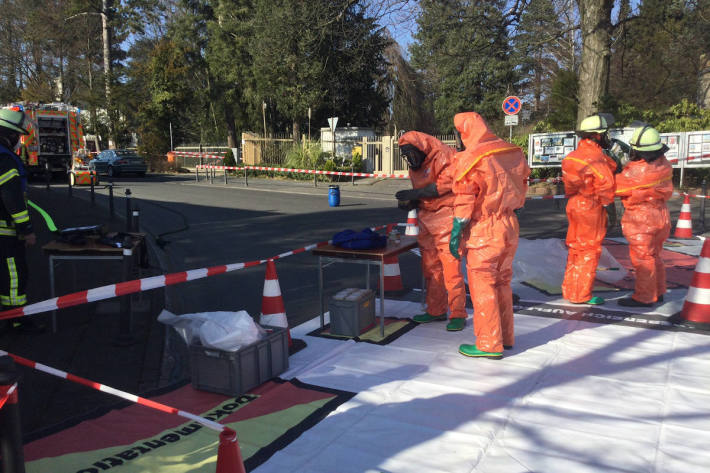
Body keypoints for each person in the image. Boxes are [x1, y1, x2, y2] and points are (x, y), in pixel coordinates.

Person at [448, 112, 530, 359]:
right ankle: (505, 337)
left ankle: (488, 343)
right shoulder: (512, 151)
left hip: (485, 228)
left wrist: (456, 233)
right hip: (510, 224)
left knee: (482, 283)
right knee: (503, 282)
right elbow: (524, 183)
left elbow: (465, 200)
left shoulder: (471, 158)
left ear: (464, 132)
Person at [395, 132, 468, 331]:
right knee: (431, 270)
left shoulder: (444, 156)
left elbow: (444, 186)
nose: (409, 159)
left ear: (421, 148)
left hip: (446, 217)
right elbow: (422, 192)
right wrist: (411, 201)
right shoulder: (415, 167)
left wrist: (416, 194)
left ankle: (458, 313)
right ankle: (436, 310)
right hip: (427, 220)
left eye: (411, 153)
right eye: (406, 155)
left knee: (451, 270)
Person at [561, 113, 617, 305]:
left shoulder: (572, 157)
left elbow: (569, 185)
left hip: (574, 205)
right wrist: (612, 212)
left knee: (575, 248)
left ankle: (570, 290)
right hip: (591, 207)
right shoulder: (597, 158)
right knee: (589, 250)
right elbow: (606, 187)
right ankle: (581, 294)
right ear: (598, 135)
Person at [615, 124, 673, 307]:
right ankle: (659, 290)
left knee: (643, 258)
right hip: (661, 214)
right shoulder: (664, 164)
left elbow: (615, 187)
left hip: (641, 218)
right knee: (654, 255)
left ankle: (645, 297)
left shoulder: (636, 171)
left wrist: (614, 166)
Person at [0, 109, 38, 330]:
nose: (18, 140)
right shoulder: (5, 159)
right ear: (9, 135)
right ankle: (17, 320)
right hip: (5, 233)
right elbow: (11, 198)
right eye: (17, 136)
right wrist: (27, 229)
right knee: (15, 276)